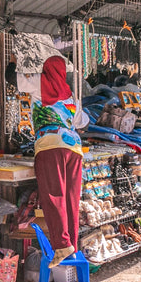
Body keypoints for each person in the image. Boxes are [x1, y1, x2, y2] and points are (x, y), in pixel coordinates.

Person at [33, 55, 86, 266]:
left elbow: (11, 78)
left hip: (49, 145)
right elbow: (82, 121)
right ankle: (71, 244)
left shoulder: (39, 82)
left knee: (54, 196)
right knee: (71, 199)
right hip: (73, 147)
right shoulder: (71, 95)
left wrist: (12, 62)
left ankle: (62, 245)